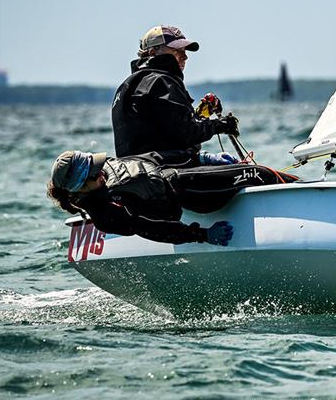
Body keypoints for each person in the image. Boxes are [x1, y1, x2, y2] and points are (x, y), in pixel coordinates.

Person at [47, 149, 298, 246]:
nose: (101, 171)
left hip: (182, 173)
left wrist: (202, 158)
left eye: (97, 165)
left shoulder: (106, 172)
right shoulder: (107, 213)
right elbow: (151, 229)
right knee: (259, 174)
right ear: (80, 188)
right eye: (94, 174)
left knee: (259, 172)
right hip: (191, 193)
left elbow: (152, 158)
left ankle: (311, 189)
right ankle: (308, 199)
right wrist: (202, 235)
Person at [111, 25, 239, 157]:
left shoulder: (127, 86)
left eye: (184, 50)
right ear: (153, 53)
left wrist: (199, 116)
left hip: (138, 169)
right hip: (165, 168)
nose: (185, 57)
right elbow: (186, 132)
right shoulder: (161, 81)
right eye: (177, 51)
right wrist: (220, 125)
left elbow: (166, 128)